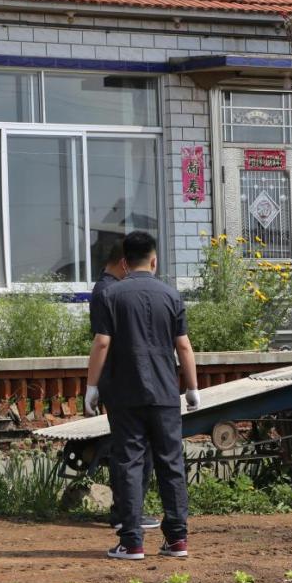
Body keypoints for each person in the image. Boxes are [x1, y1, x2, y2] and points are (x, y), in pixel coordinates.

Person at [86, 231, 201, 559]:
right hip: (165, 393)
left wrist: (91, 387)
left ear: (124, 262)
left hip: (125, 393)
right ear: (154, 261)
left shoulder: (112, 295)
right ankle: (177, 539)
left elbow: (102, 342)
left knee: (129, 462)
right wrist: (192, 388)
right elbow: (184, 346)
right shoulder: (171, 296)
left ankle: (132, 541)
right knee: (171, 462)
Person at [87, 242, 161, 533]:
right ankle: (126, 512)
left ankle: (128, 510)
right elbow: (104, 341)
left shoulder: (105, 289)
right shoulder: (109, 291)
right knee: (134, 450)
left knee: (131, 448)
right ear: (124, 263)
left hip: (119, 379)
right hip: (124, 380)